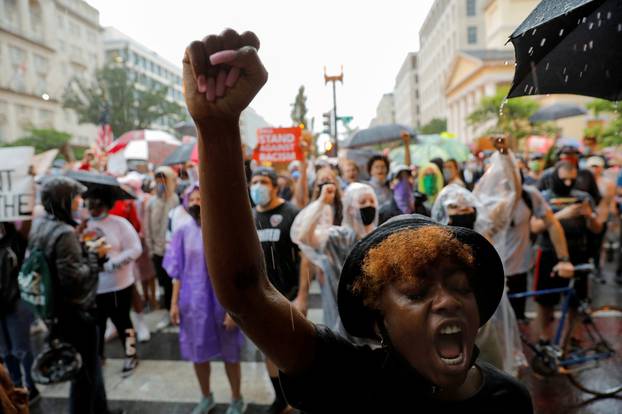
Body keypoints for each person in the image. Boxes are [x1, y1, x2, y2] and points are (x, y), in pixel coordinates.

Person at [183, 29, 532, 413]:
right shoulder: (351, 380)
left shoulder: (511, 400)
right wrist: (216, 130)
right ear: (379, 322)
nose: (447, 301)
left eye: (461, 288)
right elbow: (246, 293)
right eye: (416, 293)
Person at [27, 176, 122, 414]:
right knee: (85, 376)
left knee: (91, 370)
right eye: (75, 198)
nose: (80, 202)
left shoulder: (40, 225)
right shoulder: (63, 233)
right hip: (77, 313)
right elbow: (74, 280)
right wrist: (94, 256)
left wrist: (81, 249)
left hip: (57, 311)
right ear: (63, 200)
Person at [164, 185, 245, 414]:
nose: (197, 203)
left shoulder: (225, 230)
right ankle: (206, 396)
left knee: (231, 353)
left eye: (201, 198)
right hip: (194, 303)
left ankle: (237, 398)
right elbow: (177, 270)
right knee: (197, 352)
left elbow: (236, 271)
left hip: (223, 302)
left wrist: (233, 309)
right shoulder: (182, 231)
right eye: (193, 199)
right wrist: (174, 303)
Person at [249, 166, 309, 414]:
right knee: (268, 350)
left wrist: (303, 295)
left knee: (295, 351)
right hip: (259, 298)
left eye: (263, 182)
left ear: (275, 186)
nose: (257, 187)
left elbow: (305, 256)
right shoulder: (249, 216)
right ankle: (281, 398)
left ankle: (301, 398)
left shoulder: (291, 213)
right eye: (254, 182)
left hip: (288, 295)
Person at [291, 182, 378, 333]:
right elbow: (304, 237)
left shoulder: (380, 238)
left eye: (372, 201)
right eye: (362, 202)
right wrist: (321, 203)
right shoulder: (339, 238)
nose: (368, 206)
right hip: (340, 324)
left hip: (373, 326)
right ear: (350, 209)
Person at [534, 161, 602, 344]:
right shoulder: (544, 197)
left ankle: (571, 336)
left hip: (578, 251)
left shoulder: (583, 196)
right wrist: (562, 215)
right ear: (555, 177)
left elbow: (596, 229)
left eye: (571, 180)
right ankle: (544, 336)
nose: (567, 184)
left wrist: (590, 216)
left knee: (576, 300)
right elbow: (535, 227)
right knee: (545, 299)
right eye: (563, 179)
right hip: (549, 252)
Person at [83, 186, 143, 377]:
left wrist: (112, 263)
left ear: (106, 204)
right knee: (97, 324)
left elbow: (135, 249)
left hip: (119, 285)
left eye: (96, 203)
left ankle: (131, 354)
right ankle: (98, 356)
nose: (92, 208)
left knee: (123, 322)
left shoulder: (120, 224)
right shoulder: (83, 225)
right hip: (94, 288)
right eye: (88, 203)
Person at [0, 222, 39, 405]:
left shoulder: (15, 239)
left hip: (16, 300)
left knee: (21, 349)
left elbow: (26, 226)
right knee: (5, 350)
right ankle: (15, 385)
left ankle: (31, 386)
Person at [145, 166, 179, 330]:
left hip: (174, 250)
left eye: (163, 180)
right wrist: (151, 250)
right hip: (158, 252)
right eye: (158, 181)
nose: (160, 184)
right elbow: (147, 228)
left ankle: (177, 310)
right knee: (164, 284)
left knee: (176, 282)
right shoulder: (151, 202)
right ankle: (167, 311)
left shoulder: (176, 200)